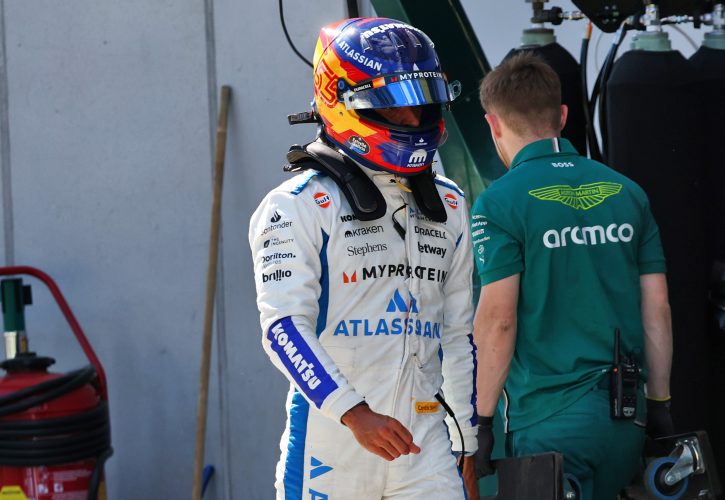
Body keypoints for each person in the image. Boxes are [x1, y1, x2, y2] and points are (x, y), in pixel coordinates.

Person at [249, 18, 479, 499]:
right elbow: (283, 329)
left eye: (422, 105)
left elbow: (457, 334)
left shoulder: (450, 203)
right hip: (332, 447)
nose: (412, 121)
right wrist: (354, 413)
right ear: (340, 100)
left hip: (425, 444)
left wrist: (467, 446)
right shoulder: (295, 205)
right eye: (393, 107)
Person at [471, 52, 674, 499]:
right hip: (627, 419)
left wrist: (481, 422)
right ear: (562, 116)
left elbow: (499, 320)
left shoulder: (498, 203)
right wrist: (659, 404)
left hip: (548, 422)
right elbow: (657, 308)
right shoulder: (628, 193)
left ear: (493, 124)